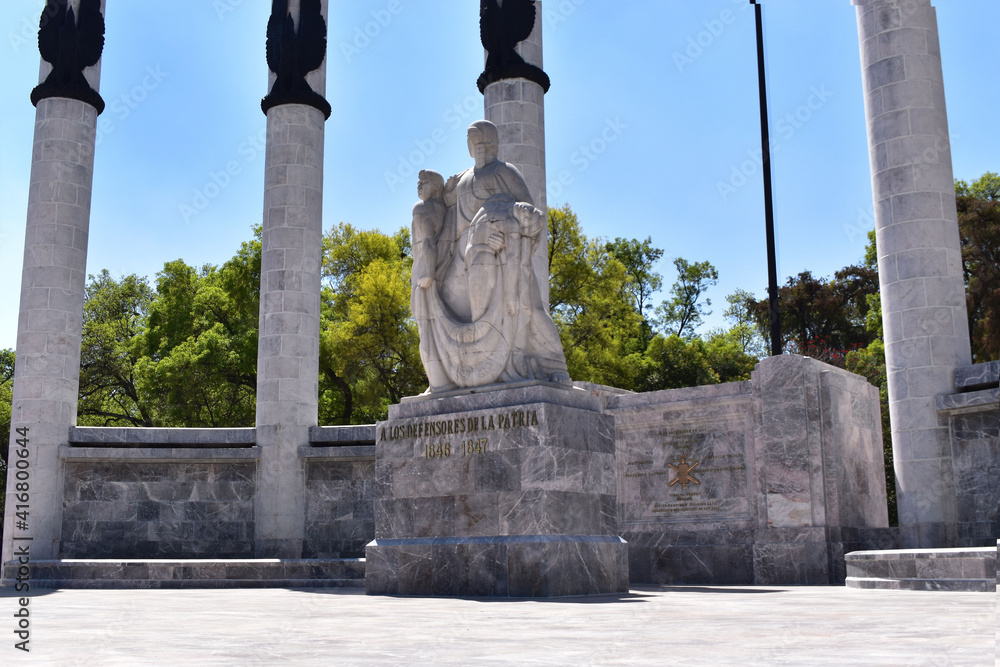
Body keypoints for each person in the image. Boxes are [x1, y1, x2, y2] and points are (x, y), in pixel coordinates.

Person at [412, 120, 570, 391]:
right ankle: (452, 374)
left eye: (478, 139)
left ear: (490, 141)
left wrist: (511, 219)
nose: (474, 145)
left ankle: (553, 366)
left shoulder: (505, 172)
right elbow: (441, 210)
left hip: (502, 253)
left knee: (530, 307)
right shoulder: (461, 179)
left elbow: (530, 213)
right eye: (470, 140)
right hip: (461, 255)